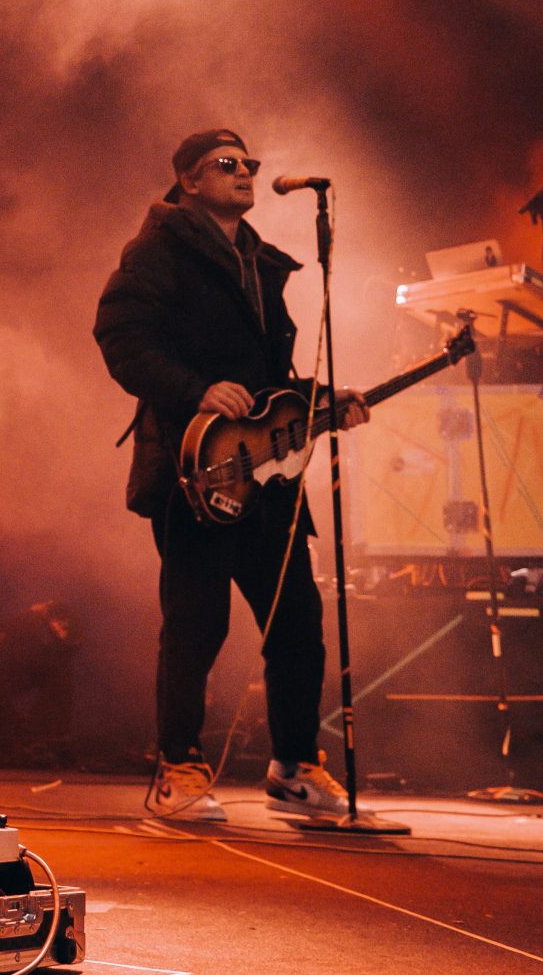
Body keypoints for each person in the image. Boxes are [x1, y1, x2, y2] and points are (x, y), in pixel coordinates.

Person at [94, 127, 364, 824]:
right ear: (189, 180)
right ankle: (177, 766)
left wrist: (321, 401)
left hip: (266, 475)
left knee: (297, 620)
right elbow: (120, 336)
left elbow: (269, 380)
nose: (244, 172)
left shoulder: (260, 261)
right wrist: (196, 390)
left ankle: (294, 768)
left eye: (250, 163)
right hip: (194, 469)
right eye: (226, 164)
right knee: (197, 621)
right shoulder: (158, 249)